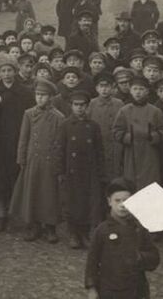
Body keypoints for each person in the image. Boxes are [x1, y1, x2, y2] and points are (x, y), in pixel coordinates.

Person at [0, 54, 35, 231]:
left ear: (15, 71)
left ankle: (18, 216)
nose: (6, 74)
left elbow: (31, 116)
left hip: (18, 141)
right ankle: (1, 215)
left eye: (9, 70)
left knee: (17, 179)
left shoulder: (25, 92)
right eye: (3, 71)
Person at [84, 178, 160, 299]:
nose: (122, 205)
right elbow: (92, 261)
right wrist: (91, 287)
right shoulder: (102, 230)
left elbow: (154, 257)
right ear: (109, 202)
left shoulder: (139, 228)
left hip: (136, 289)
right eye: (117, 200)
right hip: (110, 290)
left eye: (126, 200)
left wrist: (140, 257)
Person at [10, 77, 64, 243]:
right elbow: (23, 138)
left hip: (49, 162)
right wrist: (21, 158)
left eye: (44, 95)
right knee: (32, 193)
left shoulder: (58, 117)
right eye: (38, 95)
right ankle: (33, 226)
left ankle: (50, 227)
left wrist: (58, 163)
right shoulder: (29, 114)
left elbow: (60, 142)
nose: (40, 98)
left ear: (50, 97)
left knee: (48, 195)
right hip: (33, 160)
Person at [58, 89, 104, 249]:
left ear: (87, 106)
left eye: (82, 105)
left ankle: (84, 233)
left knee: (87, 202)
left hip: (89, 171)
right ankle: (73, 234)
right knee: (72, 202)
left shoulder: (93, 126)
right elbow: (61, 149)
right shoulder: (65, 125)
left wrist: (100, 172)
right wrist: (61, 171)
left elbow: (99, 151)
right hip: (72, 170)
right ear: (71, 106)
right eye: (76, 105)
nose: (79, 108)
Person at [112, 76, 163, 190]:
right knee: (132, 185)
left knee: (150, 186)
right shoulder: (124, 110)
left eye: (141, 89)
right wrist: (129, 137)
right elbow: (116, 131)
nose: (138, 92)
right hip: (130, 153)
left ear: (147, 91)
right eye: (135, 89)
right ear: (130, 90)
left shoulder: (155, 111)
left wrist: (152, 136)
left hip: (150, 154)